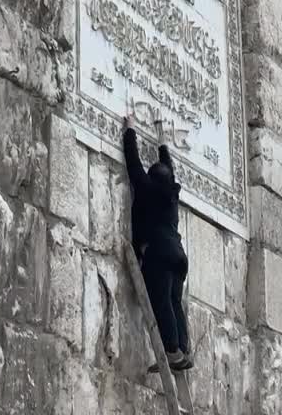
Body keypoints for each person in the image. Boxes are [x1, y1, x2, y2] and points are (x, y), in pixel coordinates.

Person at [122, 114, 192, 372]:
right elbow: (169, 167)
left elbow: (133, 162)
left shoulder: (146, 189)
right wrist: (162, 141)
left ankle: (172, 351)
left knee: (162, 302)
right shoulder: (171, 197)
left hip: (160, 255)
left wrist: (130, 130)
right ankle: (183, 350)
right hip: (179, 257)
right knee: (174, 302)